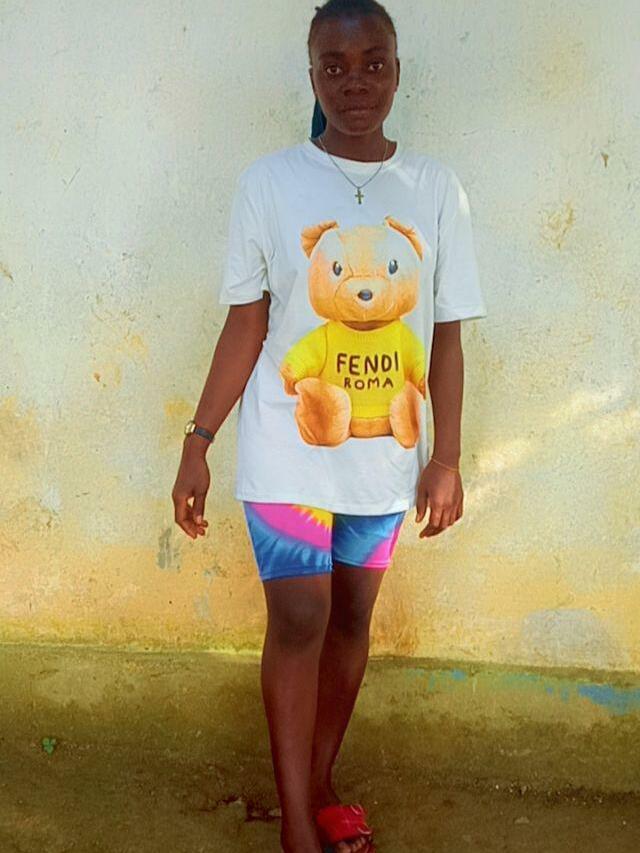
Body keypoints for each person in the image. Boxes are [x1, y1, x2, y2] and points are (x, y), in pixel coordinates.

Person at [172, 1, 487, 850]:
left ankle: (316, 781)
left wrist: (447, 457)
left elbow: (447, 335)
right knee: (302, 616)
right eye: (335, 66)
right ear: (310, 76)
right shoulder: (269, 184)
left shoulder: (435, 190)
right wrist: (199, 440)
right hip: (287, 443)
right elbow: (247, 322)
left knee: (351, 617)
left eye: (373, 62)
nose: (355, 82)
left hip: (385, 458)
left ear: (398, 70)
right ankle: (297, 830)